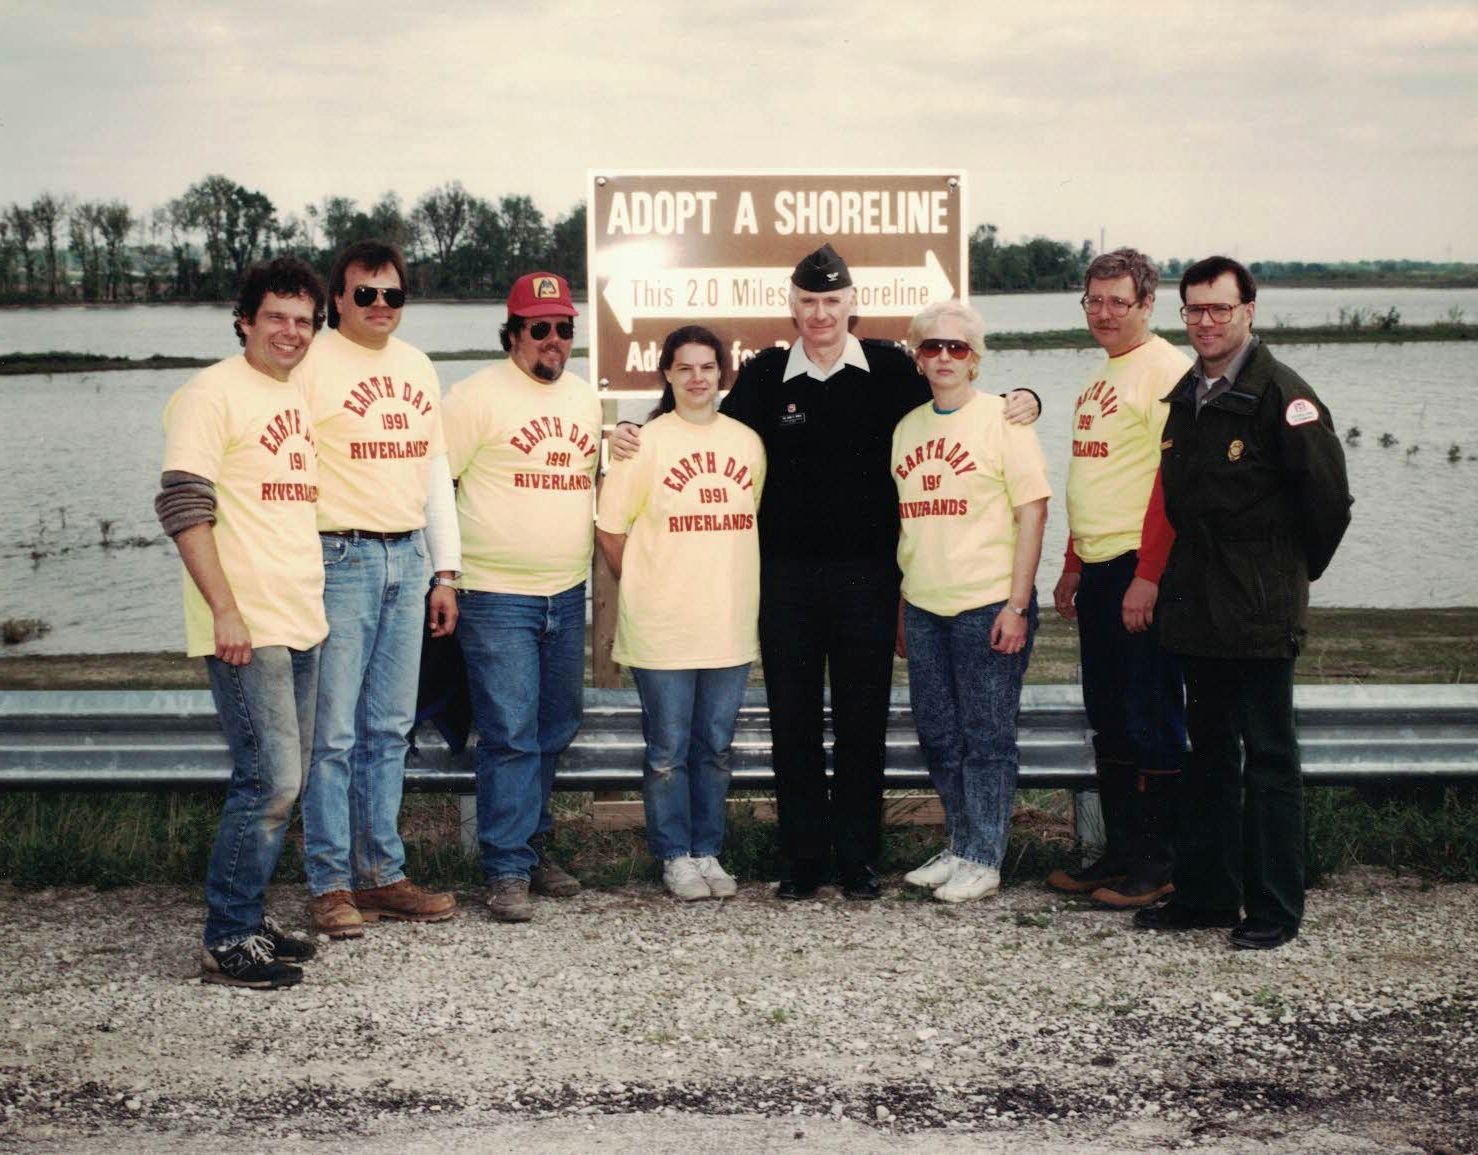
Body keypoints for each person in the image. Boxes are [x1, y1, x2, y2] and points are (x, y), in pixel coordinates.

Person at [611, 244, 1040, 901]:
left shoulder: (894, 370)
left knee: (863, 720)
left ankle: (858, 859)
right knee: (794, 721)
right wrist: (627, 431)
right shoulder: (763, 376)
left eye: (831, 301)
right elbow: (700, 426)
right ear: (792, 306)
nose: (820, 313)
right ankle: (804, 859)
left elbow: (961, 396)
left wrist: (1025, 397)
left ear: (850, 306)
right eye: (808, 301)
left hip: (869, 578)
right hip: (785, 580)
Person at [1135, 256, 1352, 951]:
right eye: (1194, 309)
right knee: (1208, 760)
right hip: (1198, 611)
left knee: (1268, 761)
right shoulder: (1186, 397)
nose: (1205, 321)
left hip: (1257, 613)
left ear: (1249, 311)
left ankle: (1274, 906)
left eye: (1218, 309)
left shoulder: (1282, 396)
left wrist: (1285, 577)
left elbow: (1328, 505)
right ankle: (1205, 894)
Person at [156, 256, 328, 988]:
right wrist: (225, 607)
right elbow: (182, 505)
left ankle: (251, 919)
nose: (290, 331)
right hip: (246, 622)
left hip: (301, 618)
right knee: (269, 780)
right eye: (276, 317)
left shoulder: (291, 395)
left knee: (288, 780)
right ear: (245, 320)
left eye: (303, 319)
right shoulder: (209, 394)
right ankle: (226, 935)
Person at [296, 240, 460, 939]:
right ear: (338, 298)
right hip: (341, 555)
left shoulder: (417, 365)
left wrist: (445, 570)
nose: (381, 307)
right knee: (331, 733)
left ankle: (381, 872)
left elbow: (434, 471)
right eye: (366, 294)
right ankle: (330, 882)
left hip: (407, 557)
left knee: (389, 728)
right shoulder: (308, 362)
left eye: (393, 295)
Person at [444, 271, 598, 922]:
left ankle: (534, 848)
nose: (554, 341)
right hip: (495, 594)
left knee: (554, 727)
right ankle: (504, 867)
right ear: (513, 333)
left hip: (565, 593)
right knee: (509, 732)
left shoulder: (587, 400)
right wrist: (443, 576)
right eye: (540, 329)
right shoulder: (473, 397)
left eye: (565, 328)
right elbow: (435, 490)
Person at [596, 325, 766, 900]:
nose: (698, 378)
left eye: (708, 367)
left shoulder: (746, 441)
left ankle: (707, 850)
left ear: (723, 374)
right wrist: (649, 581)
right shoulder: (644, 443)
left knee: (715, 749)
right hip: (664, 627)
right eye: (685, 368)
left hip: (727, 623)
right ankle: (673, 854)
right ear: (667, 373)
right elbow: (611, 529)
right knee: (667, 752)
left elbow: (750, 518)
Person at [1047, 249, 1191, 909]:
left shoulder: (1166, 372)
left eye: (1117, 302)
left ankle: (1159, 864)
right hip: (1101, 567)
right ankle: (1120, 852)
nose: (1103, 313)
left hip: (1142, 568)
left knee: (1149, 714)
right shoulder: (1103, 374)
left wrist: (1149, 576)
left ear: (1146, 305)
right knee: (1108, 718)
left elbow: (1171, 487)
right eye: (1093, 300)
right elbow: (1096, 476)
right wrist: (1075, 559)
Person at [893, 301, 1051, 902]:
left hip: (988, 603)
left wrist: (1016, 604)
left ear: (976, 358)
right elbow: (911, 526)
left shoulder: (1004, 420)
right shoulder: (907, 428)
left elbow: (1032, 511)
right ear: (917, 356)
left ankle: (985, 857)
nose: (943, 357)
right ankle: (960, 844)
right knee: (938, 733)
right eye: (931, 347)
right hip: (926, 604)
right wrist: (904, 605)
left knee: (986, 737)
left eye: (956, 348)